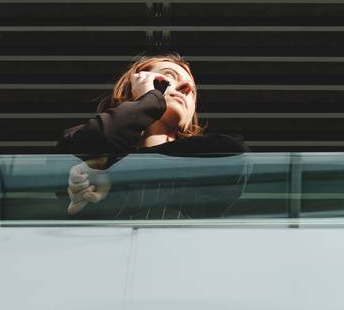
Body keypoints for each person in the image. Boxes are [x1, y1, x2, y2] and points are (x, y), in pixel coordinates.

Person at [56, 53, 249, 220]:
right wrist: (149, 101)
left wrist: (116, 173)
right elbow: (87, 142)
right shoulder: (86, 139)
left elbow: (235, 154)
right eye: (169, 77)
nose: (186, 87)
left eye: (192, 92)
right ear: (137, 85)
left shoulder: (209, 154)